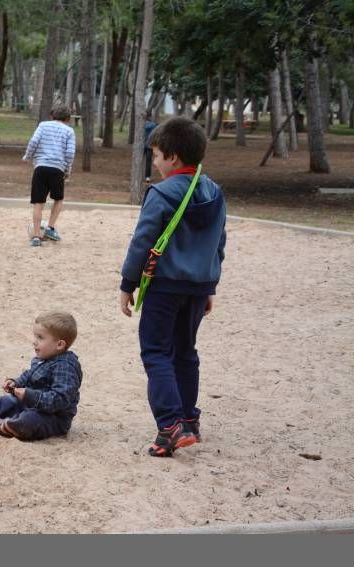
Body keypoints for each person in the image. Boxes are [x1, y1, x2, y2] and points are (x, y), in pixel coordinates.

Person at [118, 116, 227, 457]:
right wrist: (209, 286)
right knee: (185, 352)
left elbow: (142, 242)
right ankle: (189, 420)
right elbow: (218, 243)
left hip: (165, 286)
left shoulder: (161, 193)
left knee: (156, 352)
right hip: (197, 287)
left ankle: (170, 426)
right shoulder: (213, 191)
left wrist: (127, 283)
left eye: (156, 155)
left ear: (173, 158)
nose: (154, 162)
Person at [0, 312, 81, 440]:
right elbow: (29, 375)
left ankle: (0, 426)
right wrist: (16, 383)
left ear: (59, 344)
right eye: (35, 336)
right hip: (31, 405)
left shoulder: (65, 367)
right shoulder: (45, 358)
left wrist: (30, 395)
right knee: (5, 401)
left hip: (52, 418)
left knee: (29, 420)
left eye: (40, 338)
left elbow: (59, 400)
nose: (34, 342)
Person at [22, 104, 76, 247]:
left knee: (38, 203)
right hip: (57, 169)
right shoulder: (69, 131)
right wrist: (67, 169)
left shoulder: (43, 125)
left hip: (40, 168)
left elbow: (33, 142)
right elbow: (70, 153)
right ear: (68, 118)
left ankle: (36, 237)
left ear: (52, 116)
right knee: (58, 199)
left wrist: (27, 156)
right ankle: (50, 228)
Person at [143, 112, 158, 183]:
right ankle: (147, 176)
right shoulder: (152, 125)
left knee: (147, 162)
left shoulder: (148, 124)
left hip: (146, 146)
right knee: (147, 162)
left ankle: (147, 176)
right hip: (147, 146)